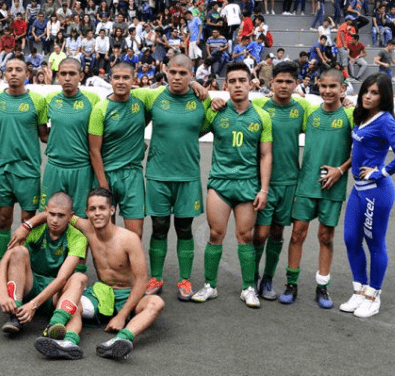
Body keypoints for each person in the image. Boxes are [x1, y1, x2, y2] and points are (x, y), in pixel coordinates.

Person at [24, 188, 164, 360]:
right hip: (102, 293)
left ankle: (120, 341)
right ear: (86, 212)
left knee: (156, 303)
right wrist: (27, 226)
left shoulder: (129, 239)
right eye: (93, 209)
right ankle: (68, 343)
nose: (97, 213)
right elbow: (54, 213)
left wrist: (121, 316)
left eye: (102, 208)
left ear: (112, 210)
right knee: (71, 298)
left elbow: (142, 281)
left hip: (129, 295)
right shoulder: (88, 229)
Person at [190, 61, 272, 309]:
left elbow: (266, 155)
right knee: (216, 234)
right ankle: (210, 286)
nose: (237, 85)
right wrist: (198, 88)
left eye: (242, 81)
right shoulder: (216, 111)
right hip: (220, 183)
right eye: (232, 81)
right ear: (226, 85)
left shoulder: (262, 116)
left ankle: (248, 287)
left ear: (250, 84)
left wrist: (264, 189)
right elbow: (191, 131)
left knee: (244, 236)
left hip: (248, 185)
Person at [339, 73, 395, 318]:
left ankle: (373, 295)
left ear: (384, 96)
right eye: (366, 92)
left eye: (375, 93)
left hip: (376, 193)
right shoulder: (362, 115)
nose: (368, 96)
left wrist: (380, 171)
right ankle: (359, 290)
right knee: (350, 239)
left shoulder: (386, 121)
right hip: (358, 191)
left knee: (375, 244)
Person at [279, 69, 353, 309]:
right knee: (298, 233)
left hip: (334, 186)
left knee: (325, 236)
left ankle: (322, 286)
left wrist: (340, 170)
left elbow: (361, 149)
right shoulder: (309, 112)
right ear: (318, 88)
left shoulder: (351, 114)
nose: (328, 91)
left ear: (343, 89)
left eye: (333, 87)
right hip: (307, 183)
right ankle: (291, 284)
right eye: (324, 87)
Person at [140, 54, 211, 301]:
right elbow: (131, 111)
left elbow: (210, 125)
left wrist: (200, 89)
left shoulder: (203, 100)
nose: (177, 77)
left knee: (184, 229)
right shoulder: (152, 97)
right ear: (165, 71)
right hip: (158, 176)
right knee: (159, 228)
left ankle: (184, 280)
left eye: (183, 73)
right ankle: (156, 277)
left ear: (192, 74)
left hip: (188, 176)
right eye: (173, 72)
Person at [0, 58, 49, 290]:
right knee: (4, 220)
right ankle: (2, 268)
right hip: (2, 170)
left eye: (18, 70)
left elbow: (44, 134)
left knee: (27, 222)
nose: (13, 74)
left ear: (27, 73)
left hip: (28, 171)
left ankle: (25, 269)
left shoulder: (38, 100)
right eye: (9, 70)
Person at [249, 61, 311, 300]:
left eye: (289, 82)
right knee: (261, 233)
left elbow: (329, 110)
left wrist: (346, 102)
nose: (284, 86)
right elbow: (235, 106)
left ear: (296, 84)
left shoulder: (303, 107)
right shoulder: (259, 104)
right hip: (264, 182)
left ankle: (268, 279)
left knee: (277, 233)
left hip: (289, 182)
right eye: (280, 81)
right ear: (271, 83)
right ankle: (251, 277)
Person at [0, 192, 88, 333]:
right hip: (30, 285)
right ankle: (15, 315)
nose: (55, 220)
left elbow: (62, 279)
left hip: (54, 293)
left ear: (71, 216)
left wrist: (33, 305)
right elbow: (4, 261)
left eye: (61, 215)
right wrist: (2, 294)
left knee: (80, 278)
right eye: (52, 214)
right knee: (18, 252)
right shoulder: (35, 230)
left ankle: (54, 325)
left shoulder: (78, 238)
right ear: (46, 212)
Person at [88, 62, 152, 239]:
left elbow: (166, 93)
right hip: (106, 174)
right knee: (106, 232)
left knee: (135, 234)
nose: (121, 82)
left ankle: (130, 267)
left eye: (126, 77)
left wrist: (194, 83)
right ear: (110, 79)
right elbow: (94, 150)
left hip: (132, 175)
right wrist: (103, 185)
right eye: (116, 77)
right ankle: (109, 268)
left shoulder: (141, 100)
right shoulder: (100, 109)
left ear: (134, 80)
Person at [42, 58, 100, 220]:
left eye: (72, 74)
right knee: (49, 217)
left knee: (81, 220)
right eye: (63, 74)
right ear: (58, 76)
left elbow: (101, 134)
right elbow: (42, 132)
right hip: (55, 167)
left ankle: (78, 247)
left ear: (81, 76)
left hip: (82, 169)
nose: (67, 78)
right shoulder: (49, 99)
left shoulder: (93, 100)